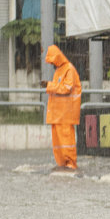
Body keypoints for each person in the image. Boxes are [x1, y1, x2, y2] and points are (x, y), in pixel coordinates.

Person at [43, 44, 82, 172]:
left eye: (52, 61)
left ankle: (70, 163)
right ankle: (62, 164)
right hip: (57, 114)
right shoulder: (59, 70)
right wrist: (50, 85)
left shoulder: (69, 69)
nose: (52, 64)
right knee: (58, 143)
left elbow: (66, 88)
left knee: (66, 140)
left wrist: (49, 85)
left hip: (66, 113)